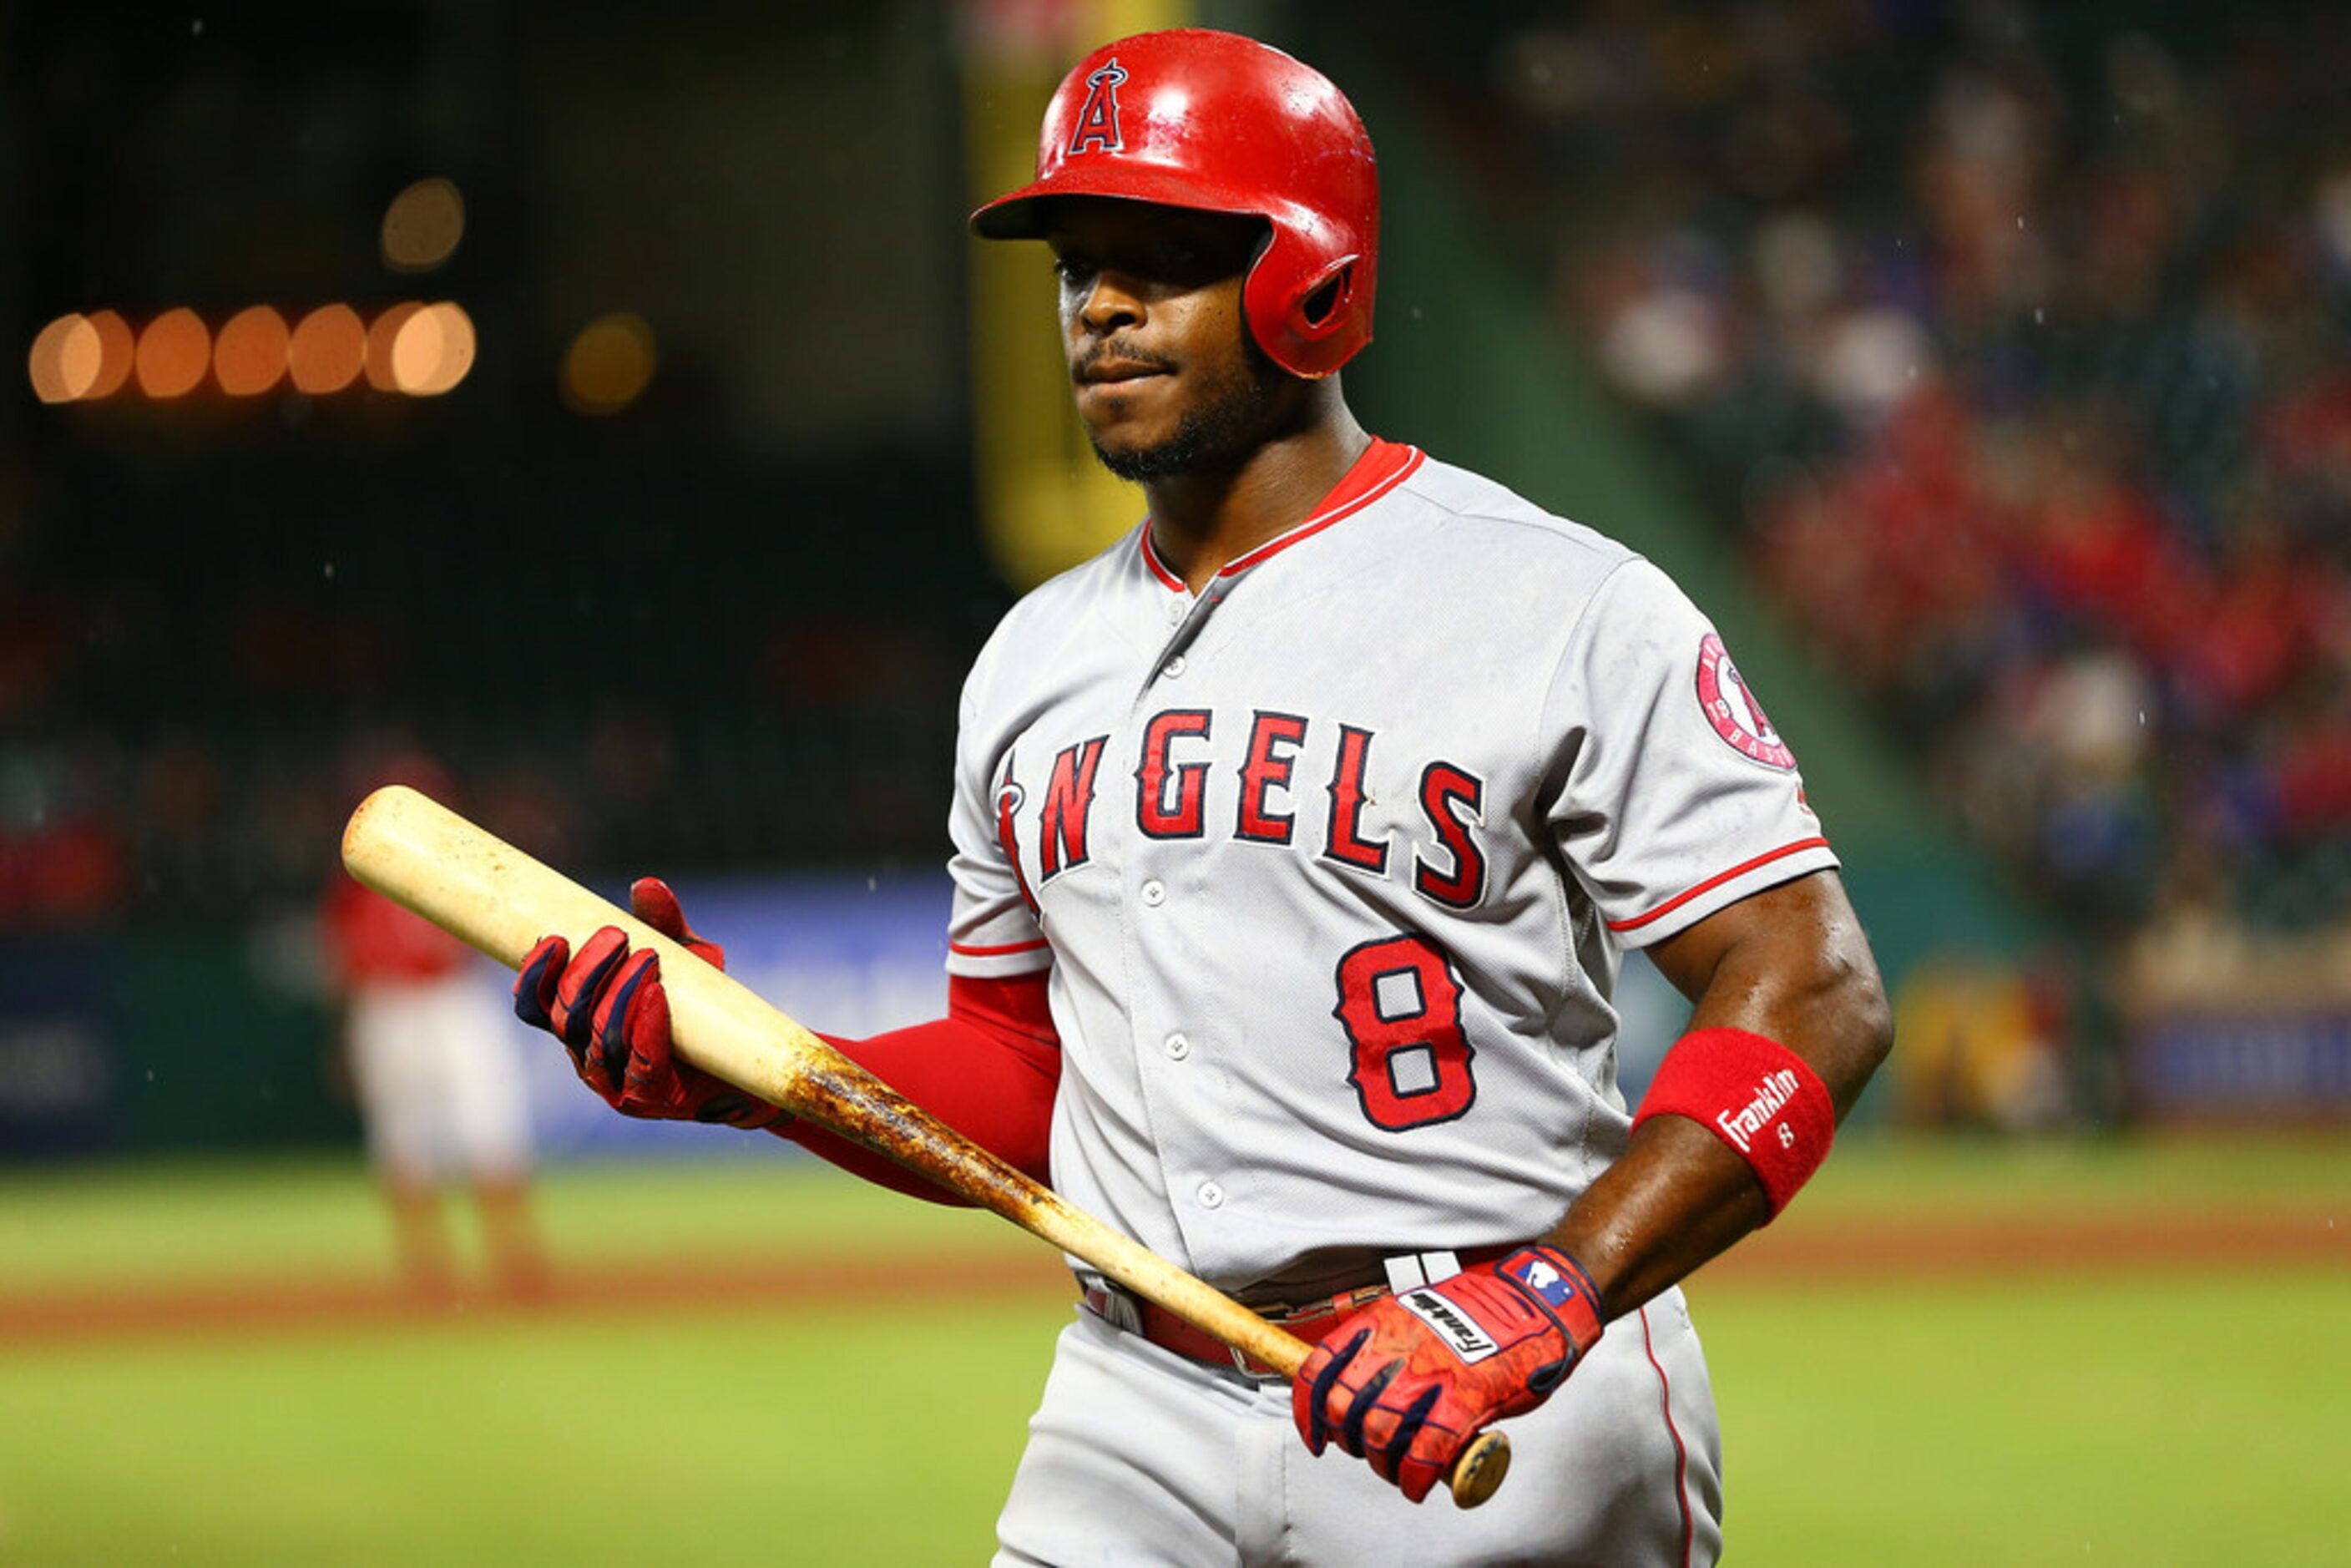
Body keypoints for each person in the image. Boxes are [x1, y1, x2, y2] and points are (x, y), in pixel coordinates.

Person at [511, 28, 1891, 1564]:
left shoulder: (1558, 601)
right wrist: (757, 1066)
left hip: (1486, 1392)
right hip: (1131, 1394)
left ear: (1310, 278)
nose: (1095, 306)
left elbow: (1813, 989)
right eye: (1074, 266)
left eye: (1155, 257)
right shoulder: (1030, 661)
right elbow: (1021, 1071)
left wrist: (1543, 1296)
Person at [323, 759, 547, 1298]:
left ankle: (515, 1264)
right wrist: (343, 1039)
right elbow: (344, 966)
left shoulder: (460, 868)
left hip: (453, 1000)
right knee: (405, 1141)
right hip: (389, 1009)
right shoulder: (356, 880)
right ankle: (428, 1273)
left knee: (491, 1127)